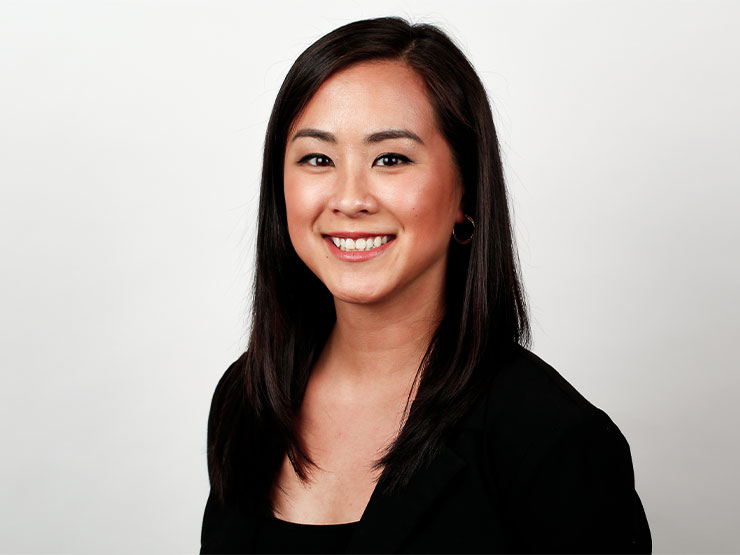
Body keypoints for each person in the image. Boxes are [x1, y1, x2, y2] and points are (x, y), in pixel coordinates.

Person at [199, 17, 651, 554]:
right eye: (317, 158)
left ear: (467, 194)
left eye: (391, 158)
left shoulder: (552, 438)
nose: (349, 198)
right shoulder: (249, 397)